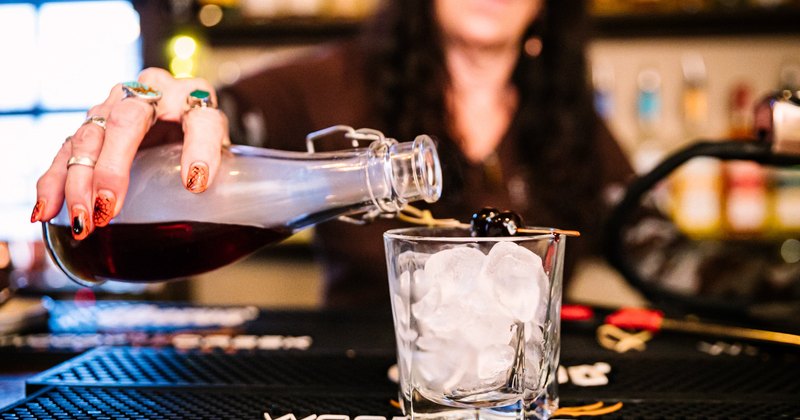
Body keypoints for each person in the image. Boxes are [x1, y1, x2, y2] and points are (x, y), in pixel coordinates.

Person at [31, 0, 634, 310]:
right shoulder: (333, 83)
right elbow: (223, 118)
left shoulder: (572, 124)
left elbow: (655, 244)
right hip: (352, 385)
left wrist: (726, 285)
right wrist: (173, 105)